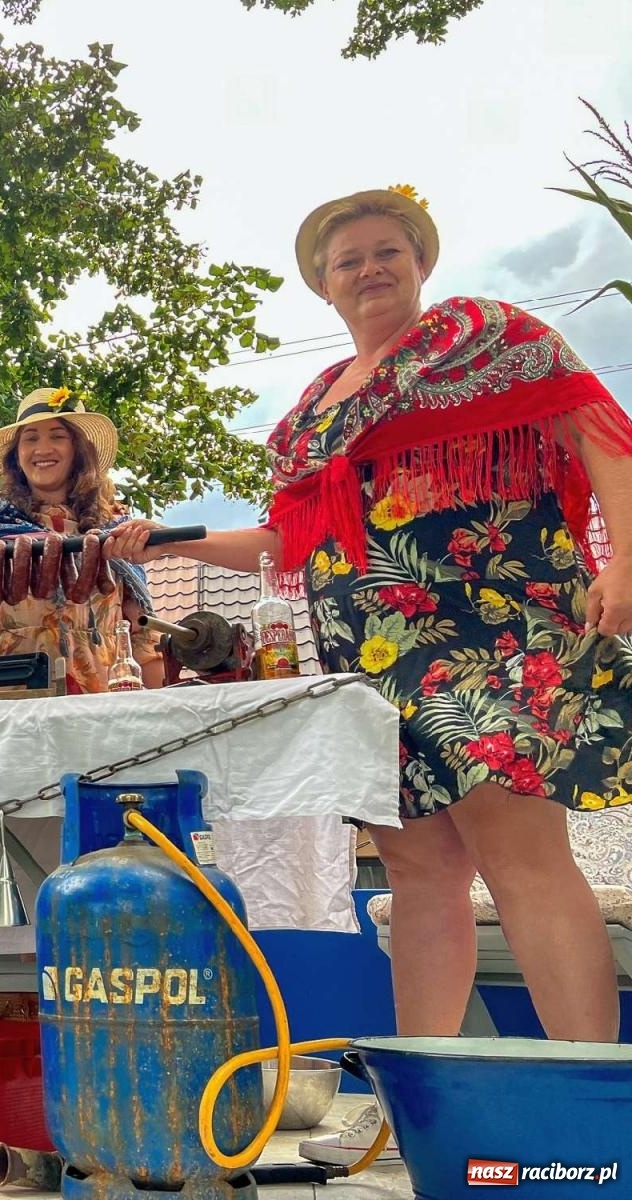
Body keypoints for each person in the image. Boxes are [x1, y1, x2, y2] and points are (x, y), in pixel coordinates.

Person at [110, 186, 632, 1163]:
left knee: (521, 854)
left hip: (494, 630)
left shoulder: (487, 336)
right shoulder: (313, 409)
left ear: (419, 257)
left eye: (385, 249)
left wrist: (627, 560)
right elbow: (285, 537)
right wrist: (163, 535)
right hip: (373, 660)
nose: (368, 269)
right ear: (320, 283)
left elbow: (597, 433)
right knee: (417, 870)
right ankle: (411, 1105)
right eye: (345, 259)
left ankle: (591, 1109)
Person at [0, 387, 162, 693]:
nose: (42, 448)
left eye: (57, 436)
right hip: (10, 687)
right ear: (17, 456)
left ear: (79, 450)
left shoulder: (116, 526)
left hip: (98, 688)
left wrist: (165, 702)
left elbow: (141, 632)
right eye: (30, 438)